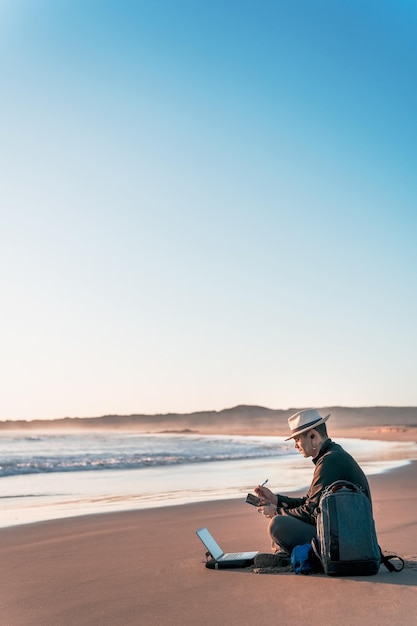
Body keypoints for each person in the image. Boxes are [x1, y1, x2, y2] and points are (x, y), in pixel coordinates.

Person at [253, 408, 372, 565]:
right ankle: (289, 555)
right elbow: (310, 502)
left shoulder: (329, 461)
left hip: (346, 540)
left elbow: (310, 512)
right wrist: (276, 499)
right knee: (282, 519)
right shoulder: (332, 454)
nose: (296, 446)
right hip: (350, 535)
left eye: (297, 440)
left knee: (277, 524)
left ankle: (294, 557)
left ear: (313, 436)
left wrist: (275, 511)